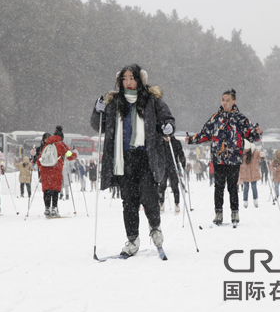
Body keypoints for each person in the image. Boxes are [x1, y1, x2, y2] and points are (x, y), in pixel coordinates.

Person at [91, 64, 175, 256]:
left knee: (149, 195)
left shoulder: (151, 100)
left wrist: (168, 126)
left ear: (140, 80)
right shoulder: (114, 102)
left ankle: (155, 228)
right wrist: (98, 111)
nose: (128, 82)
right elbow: (99, 126)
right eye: (124, 79)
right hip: (124, 158)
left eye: (131, 78)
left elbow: (167, 119)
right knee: (128, 200)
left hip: (146, 156)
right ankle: (132, 239)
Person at [186, 88, 262, 225]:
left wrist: (257, 133)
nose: (225, 103)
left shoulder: (240, 119)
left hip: (234, 158)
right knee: (218, 187)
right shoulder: (215, 118)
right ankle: (218, 213)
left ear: (234, 101)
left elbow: (251, 135)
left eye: (227, 100)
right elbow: (205, 134)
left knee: (233, 187)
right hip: (218, 158)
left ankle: (235, 213)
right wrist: (191, 139)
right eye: (223, 100)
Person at [37, 126, 77, 218]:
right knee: (55, 189)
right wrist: (74, 154)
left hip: (45, 170)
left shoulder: (47, 145)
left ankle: (47, 208)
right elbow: (70, 155)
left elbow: (40, 159)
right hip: (56, 170)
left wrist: (41, 167)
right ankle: (54, 208)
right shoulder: (61, 144)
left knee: (46, 190)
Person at [158, 135, 186, 214]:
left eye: (167, 136)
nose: (165, 138)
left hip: (173, 167)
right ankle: (161, 203)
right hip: (163, 167)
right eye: (164, 137)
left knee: (174, 186)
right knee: (162, 186)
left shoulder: (176, 143)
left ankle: (176, 203)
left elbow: (181, 154)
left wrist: (183, 162)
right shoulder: (160, 143)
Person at [238, 140, 264, 208]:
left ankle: (255, 201)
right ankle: (245, 202)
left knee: (254, 187)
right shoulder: (242, 153)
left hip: (253, 172)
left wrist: (262, 155)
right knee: (246, 188)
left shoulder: (255, 152)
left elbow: (260, 156)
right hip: (245, 172)